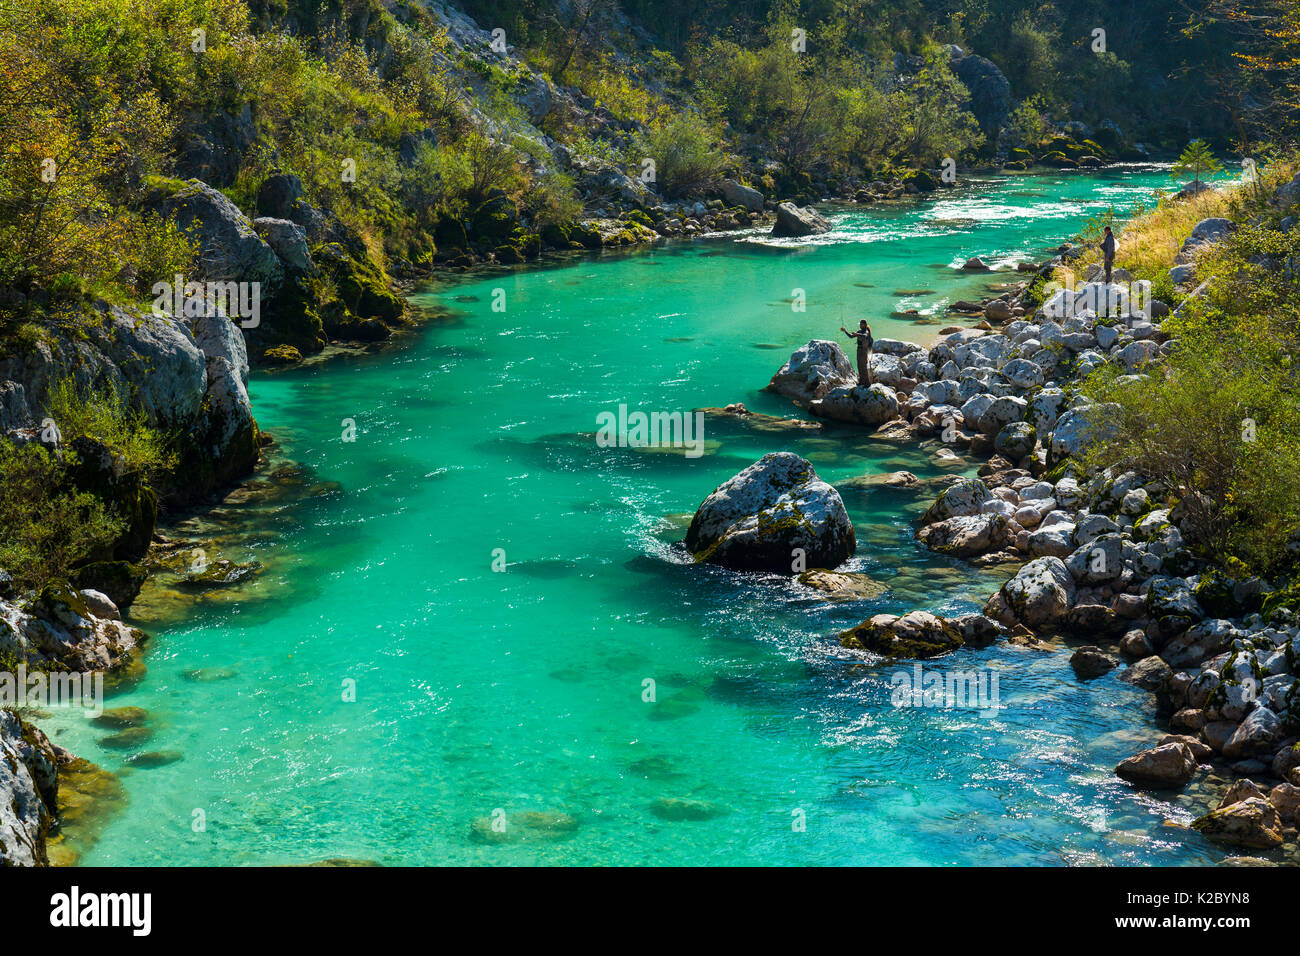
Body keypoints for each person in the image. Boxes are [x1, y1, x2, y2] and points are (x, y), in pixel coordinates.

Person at [840, 319, 874, 386]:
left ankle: (867, 383)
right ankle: (861, 381)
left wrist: (857, 334)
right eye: (860, 324)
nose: (860, 325)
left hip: (864, 351)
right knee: (859, 366)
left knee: (863, 366)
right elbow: (850, 336)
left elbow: (864, 336)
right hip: (859, 350)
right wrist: (845, 330)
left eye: (861, 324)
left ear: (865, 325)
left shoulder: (866, 332)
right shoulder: (859, 331)